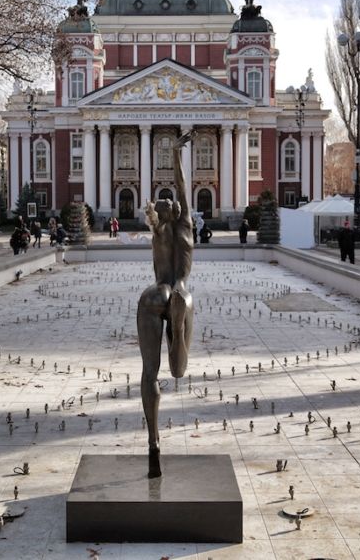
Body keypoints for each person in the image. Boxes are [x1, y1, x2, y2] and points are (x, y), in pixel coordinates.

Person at [137, 132, 194, 479]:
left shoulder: (157, 232)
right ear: (176, 211)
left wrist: (152, 217)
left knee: (149, 372)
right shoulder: (185, 226)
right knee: (178, 371)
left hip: (154, 294)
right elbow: (182, 186)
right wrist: (176, 154)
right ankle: (177, 335)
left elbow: (154, 219)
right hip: (180, 291)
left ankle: (153, 440)